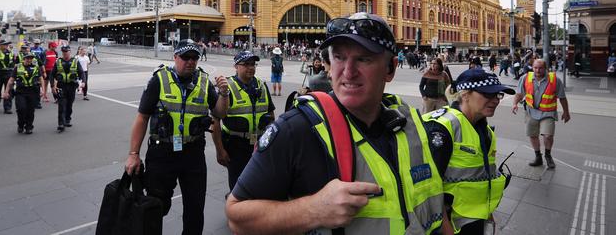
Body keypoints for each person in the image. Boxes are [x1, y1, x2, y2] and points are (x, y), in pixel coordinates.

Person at [226, 13, 449, 235]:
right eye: (339, 58)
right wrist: (311, 210)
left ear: (390, 68)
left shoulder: (411, 125)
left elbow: (435, 208)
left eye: (364, 59)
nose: (348, 72)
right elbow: (237, 217)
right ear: (329, 65)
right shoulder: (296, 129)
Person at [124, 40, 229, 235]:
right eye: (185, 57)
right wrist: (133, 153)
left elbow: (220, 114)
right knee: (156, 206)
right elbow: (142, 117)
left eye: (194, 58)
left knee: (195, 208)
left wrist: (224, 94)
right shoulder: (159, 79)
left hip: (193, 153)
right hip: (162, 153)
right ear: (175, 57)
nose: (190, 62)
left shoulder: (205, 82)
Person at [423, 69, 513, 234]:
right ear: (465, 94)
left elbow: (481, 177)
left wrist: (487, 214)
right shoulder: (442, 128)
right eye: (488, 94)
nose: (495, 100)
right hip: (449, 225)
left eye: (498, 95)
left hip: (474, 219)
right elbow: (428, 189)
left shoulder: (485, 131)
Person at [211, 50, 275, 193]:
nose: (251, 67)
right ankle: (235, 210)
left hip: (259, 143)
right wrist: (220, 150)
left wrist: (271, 141)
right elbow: (215, 120)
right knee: (237, 186)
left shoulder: (261, 86)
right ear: (236, 66)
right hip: (235, 145)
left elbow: (271, 115)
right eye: (246, 64)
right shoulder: (228, 87)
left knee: (259, 183)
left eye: (253, 64)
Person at [511, 59, 570, 168]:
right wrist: (514, 104)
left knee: (548, 136)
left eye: (540, 68)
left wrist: (566, 112)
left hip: (548, 113)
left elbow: (562, 97)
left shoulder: (555, 80)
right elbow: (519, 94)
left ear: (545, 68)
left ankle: (548, 155)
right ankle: (538, 157)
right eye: (535, 68)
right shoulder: (525, 78)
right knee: (533, 135)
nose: (537, 70)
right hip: (531, 111)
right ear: (532, 67)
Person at [3, 53, 46, 134]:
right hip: (21, 92)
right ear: (24, 59)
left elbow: (41, 79)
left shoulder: (36, 67)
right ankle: (20, 125)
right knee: (21, 109)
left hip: (32, 92)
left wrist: (43, 91)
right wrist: (6, 92)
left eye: (31, 58)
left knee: (30, 111)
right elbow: (11, 80)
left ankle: (29, 127)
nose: (29, 60)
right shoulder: (18, 67)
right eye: (27, 58)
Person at [51, 45, 84, 132]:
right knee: (61, 105)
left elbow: (81, 72)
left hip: (72, 86)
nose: (65, 53)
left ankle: (67, 119)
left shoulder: (75, 61)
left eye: (67, 52)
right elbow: (52, 74)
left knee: (69, 104)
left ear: (70, 52)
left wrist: (83, 82)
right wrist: (52, 86)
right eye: (64, 52)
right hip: (61, 86)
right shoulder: (58, 61)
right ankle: (61, 124)